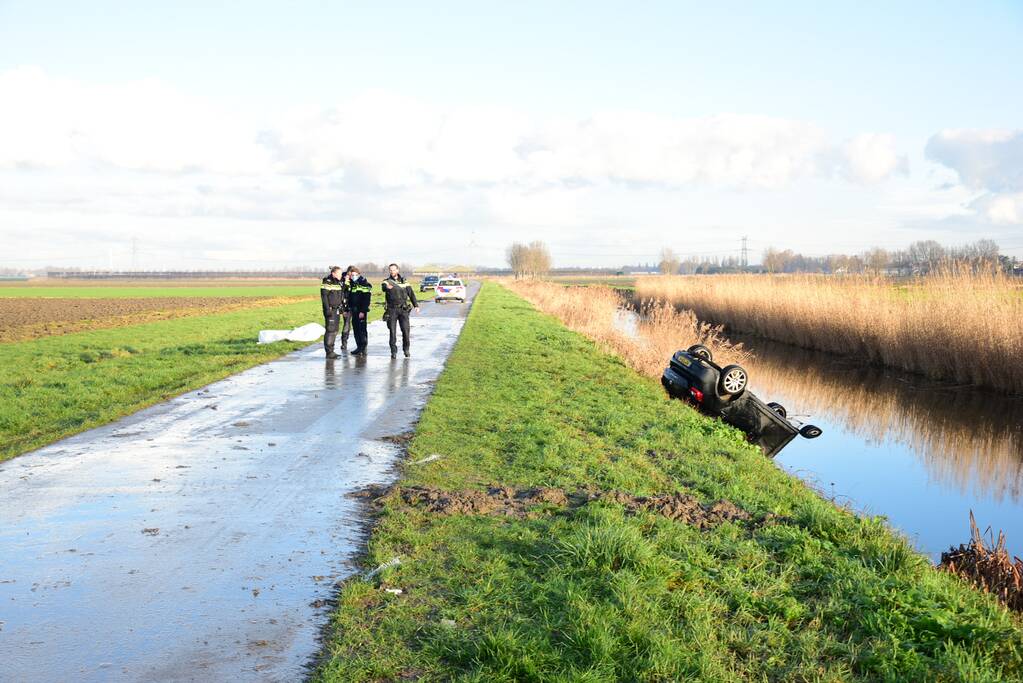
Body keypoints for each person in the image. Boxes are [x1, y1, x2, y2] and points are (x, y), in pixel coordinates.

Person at [381, 263, 420, 358]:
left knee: (406, 331)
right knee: (393, 332)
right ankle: (393, 351)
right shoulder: (387, 281)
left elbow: (411, 294)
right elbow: (383, 287)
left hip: (403, 310)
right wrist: (387, 287)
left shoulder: (405, 281)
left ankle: (406, 349)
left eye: (394, 270)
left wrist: (416, 305)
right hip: (392, 310)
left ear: (397, 270)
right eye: (390, 270)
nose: (392, 271)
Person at [319, 266, 346, 359]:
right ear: (333, 274)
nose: (340, 275)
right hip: (330, 309)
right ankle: (329, 352)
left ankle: (332, 351)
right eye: (339, 273)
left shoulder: (339, 282)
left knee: (335, 330)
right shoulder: (327, 282)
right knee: (330, 330)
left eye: (341, 273)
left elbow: (340, 296)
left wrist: (341, 307)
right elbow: (324, 296)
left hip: (337, 309)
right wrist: (327, 309)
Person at [346, 265, 372, 355]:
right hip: (354, 310)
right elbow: (349, 297)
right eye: (352, 275)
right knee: (356, 329)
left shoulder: (364, 283)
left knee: (362, 329)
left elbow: (366, 299)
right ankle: (358, 347)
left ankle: (363, 347)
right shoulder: (352, 284)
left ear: (359, 274)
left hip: (361, 310)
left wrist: (363, 311)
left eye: (355, 274)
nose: (353, 276)